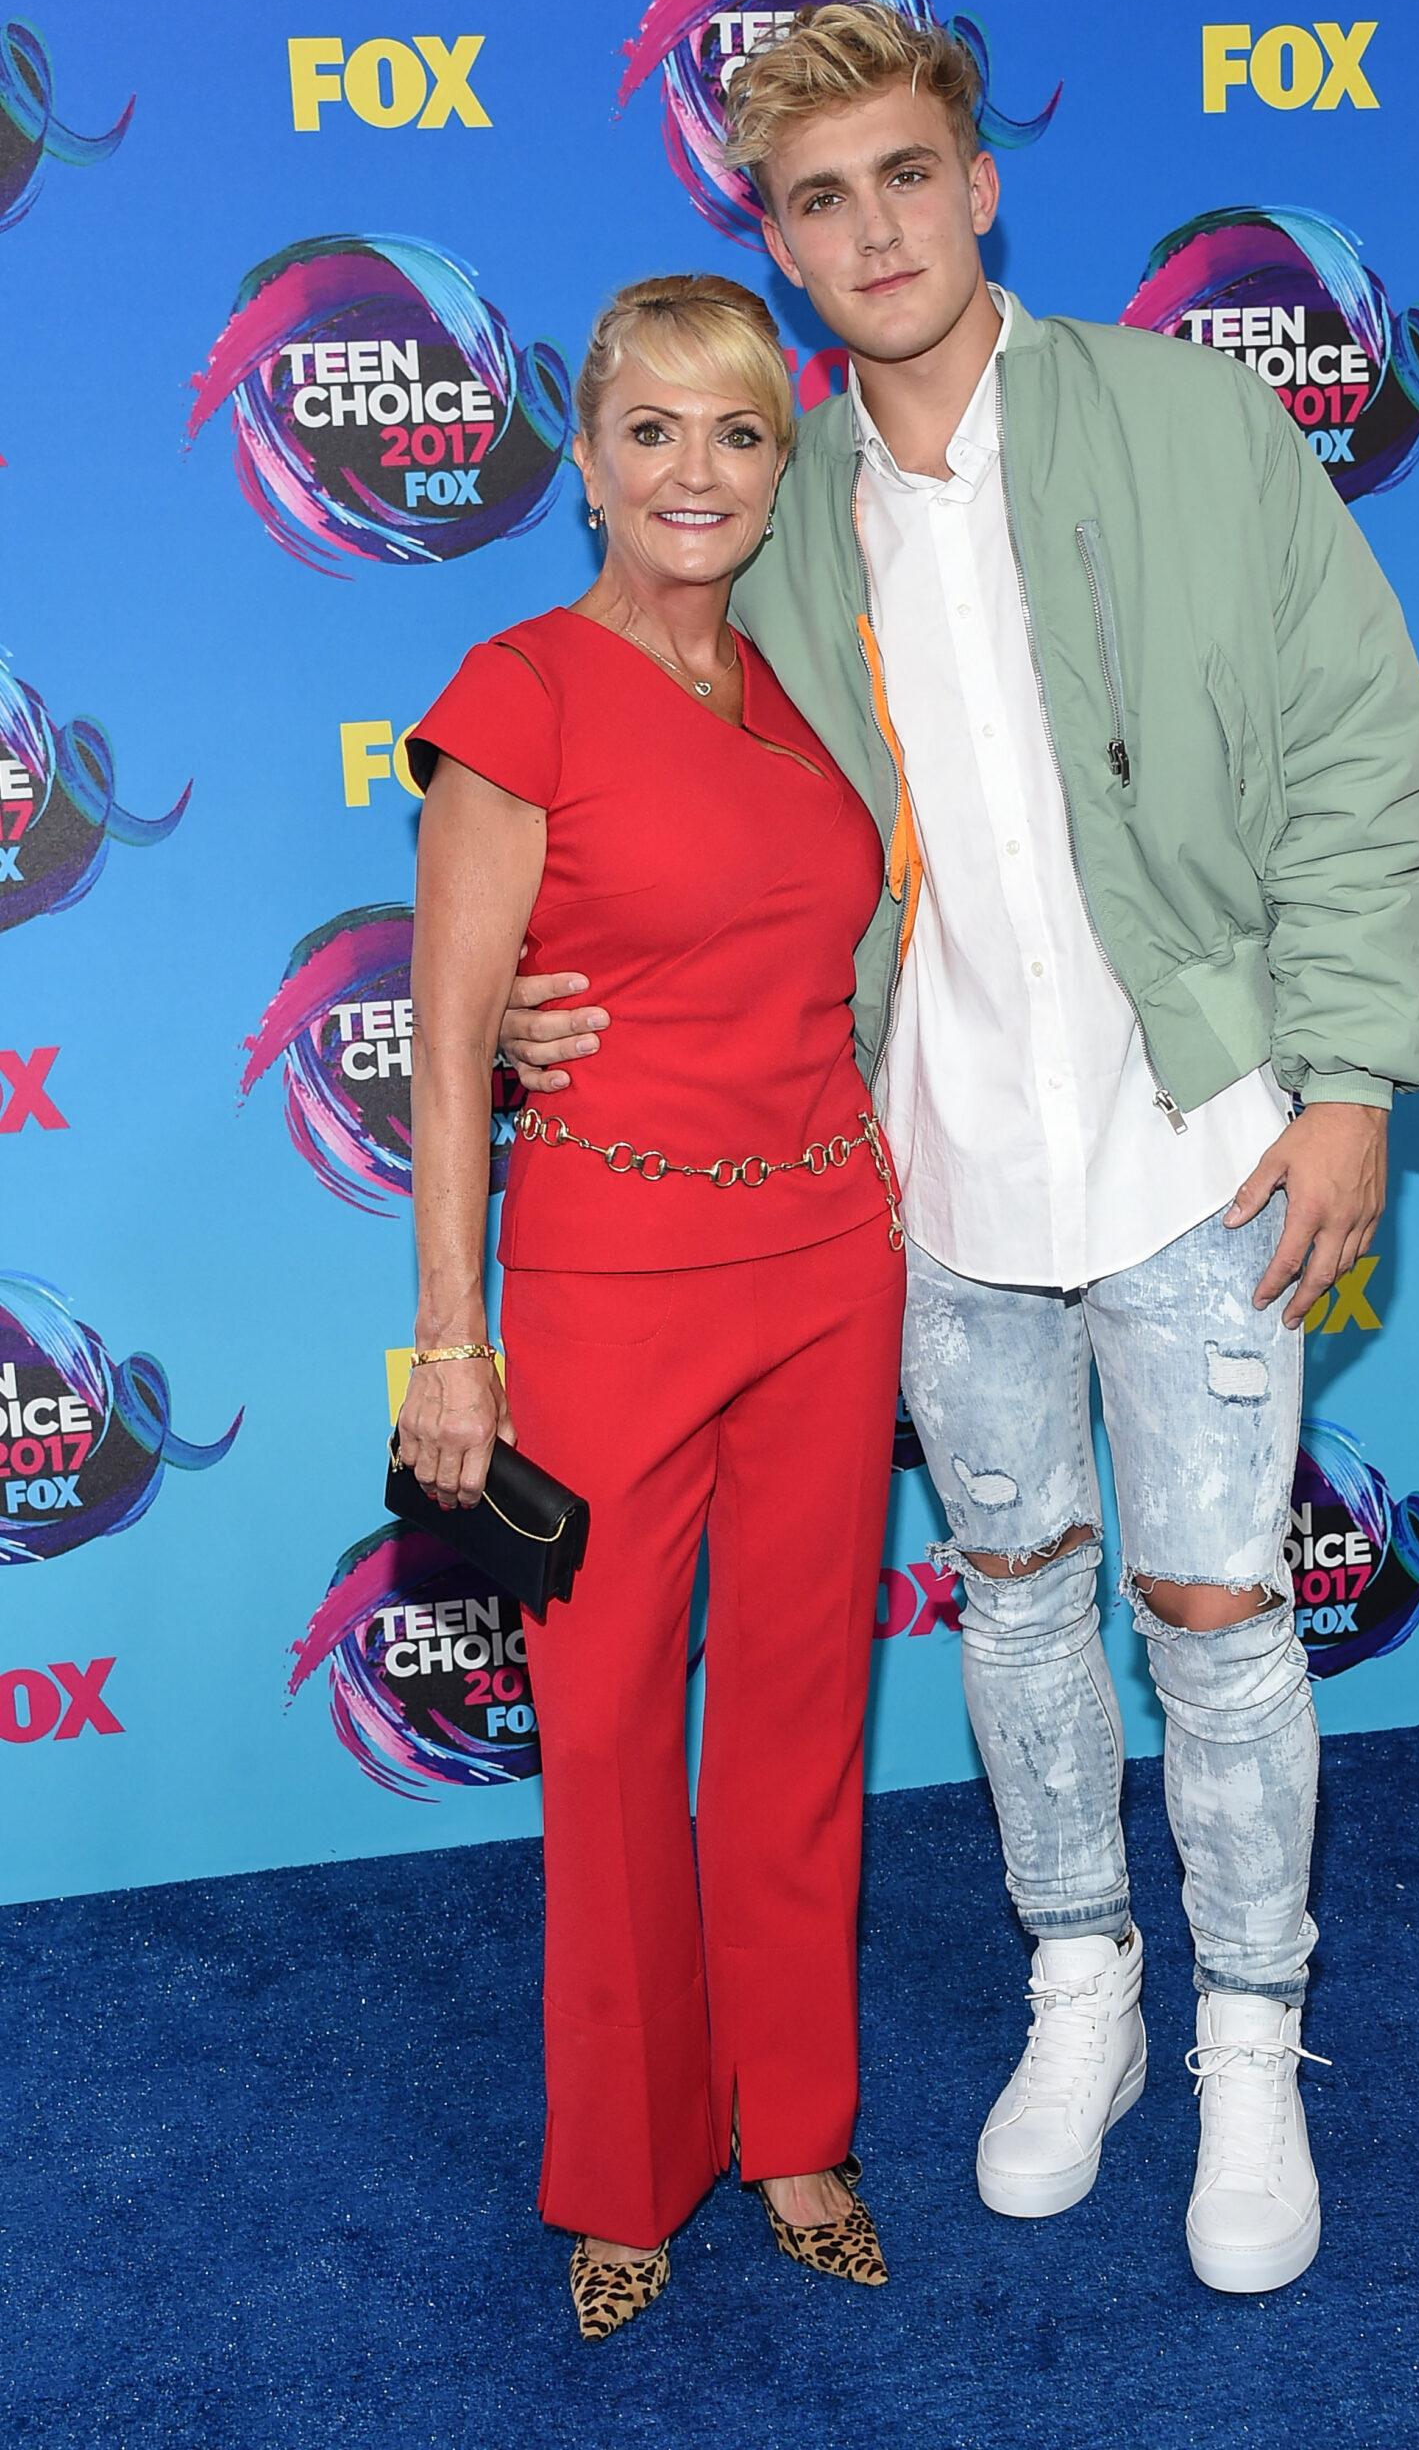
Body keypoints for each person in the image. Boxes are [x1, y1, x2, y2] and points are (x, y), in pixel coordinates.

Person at [501, 3, 1419, 2297]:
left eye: (906, 174)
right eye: (819, 199)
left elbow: (1354, 737)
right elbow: (666, 779)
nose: (871, 229)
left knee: (1216, 1613)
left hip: (1205, 1133)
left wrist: (1345, 1076)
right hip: (918, 1166)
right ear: (776, 234)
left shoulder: (1192, 416)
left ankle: (1245, 2033)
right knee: (1011, 1595)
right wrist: (536, 986)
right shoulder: (781, 498)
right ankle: (1082, 1985)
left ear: (982, 180)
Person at [397, 273, 906, 2341]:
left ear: (785, 469)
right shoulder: (519, 688)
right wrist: (452, 1335)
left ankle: (791, 2120)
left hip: (829, 1263)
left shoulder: (799, 690)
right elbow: (448, 1044)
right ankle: (624, 2164)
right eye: (652, 433)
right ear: (586, 458)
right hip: (609, 1268)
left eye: (739, 433)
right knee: (607, 1728)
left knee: (797, 1712)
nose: (695, 471)